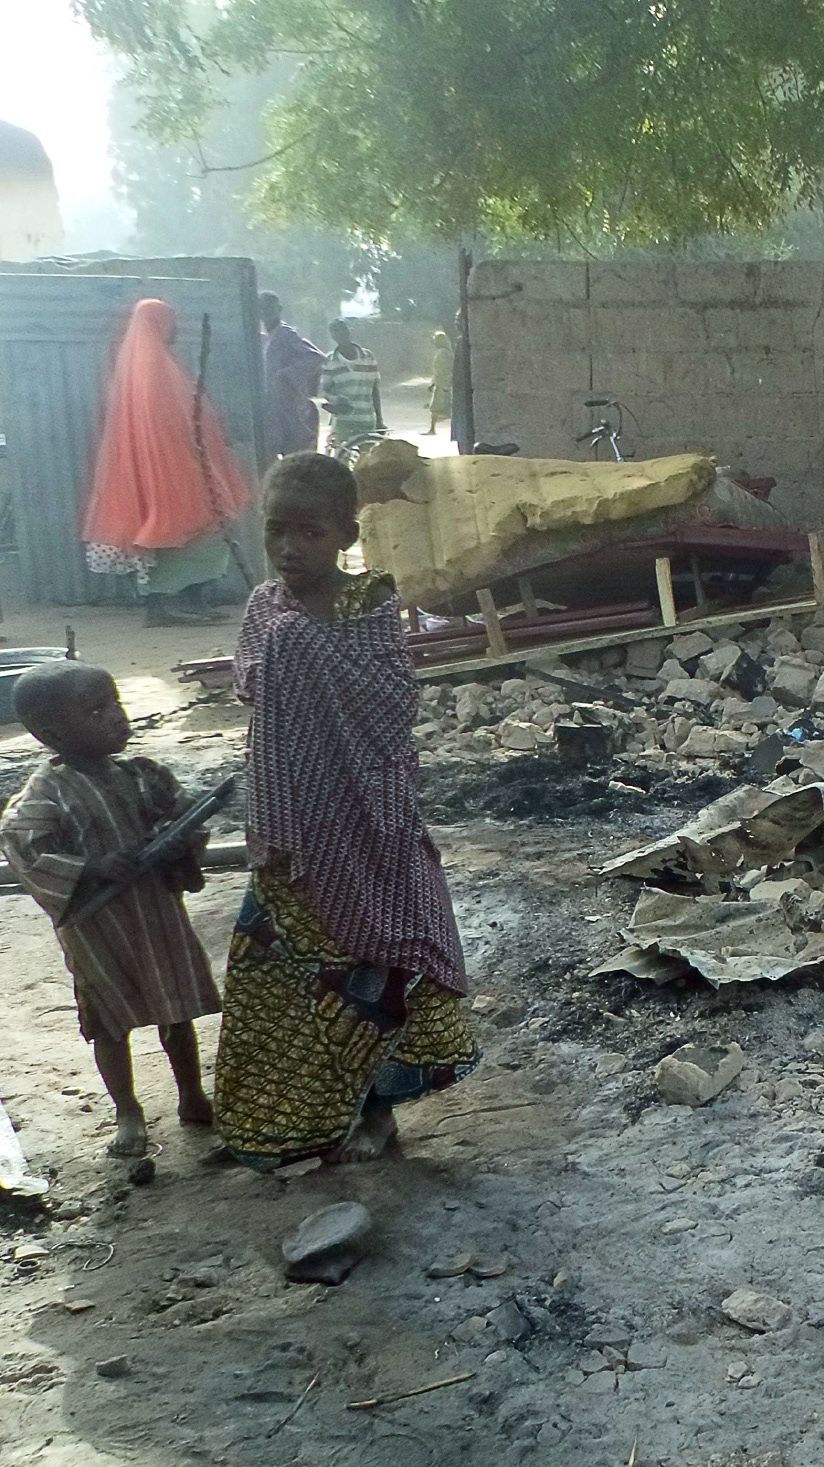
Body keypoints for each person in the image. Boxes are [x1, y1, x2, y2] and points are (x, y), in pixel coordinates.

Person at [214, 453, 475, 1169]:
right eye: (277, 531)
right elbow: (253, 687)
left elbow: (393, 706)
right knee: (276, 974)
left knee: (371, 968)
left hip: (363, 819)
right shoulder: (266, 606)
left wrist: (306, 651)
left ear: (346, 535)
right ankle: (270, 1120)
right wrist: (292, 651)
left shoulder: (368, 608)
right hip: (285, 823)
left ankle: (377, 1113)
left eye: (311, 532)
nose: (292, 548)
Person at [0, 661, 218, 1158]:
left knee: (176, 1009)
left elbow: (182, 816)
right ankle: (128, 1110)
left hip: (156, 913)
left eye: (116, 703)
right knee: (109, 1020)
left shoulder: (143, 776)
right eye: (97, 710)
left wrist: (178, 840)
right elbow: (25, 849)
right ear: (50, 734)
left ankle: (192, 1096)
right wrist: (94, 868)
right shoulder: (44, 794)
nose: (117, 717)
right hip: (99, 927)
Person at [80, 298, 253, 626]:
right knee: (202, 528)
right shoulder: (154, 367)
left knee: (192, 534)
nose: (176, 329)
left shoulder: (141, 364)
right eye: (170, 322)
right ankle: (169, 605)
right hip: (173, 468)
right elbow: (174, 422)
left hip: (166, 468)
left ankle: (183, 602)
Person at [259, 292, 323, 459]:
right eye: (262, 309)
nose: (265, 313)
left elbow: (315, 358)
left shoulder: (286, 335)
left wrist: (285, 374)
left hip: (291, 409)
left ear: (279, 309)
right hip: (273, 411)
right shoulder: (264, 338)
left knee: (297, 459)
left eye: (269, 308)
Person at [318, 318, 383, 458]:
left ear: (349, 331)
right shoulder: (330, 361)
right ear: (333, 336)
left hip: (366, 419)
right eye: (336, 333)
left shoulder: (368, 356)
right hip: (343, 422)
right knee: (342, 460)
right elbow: (324, 390)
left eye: (343, 330)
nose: (341, 335)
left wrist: (380, 419)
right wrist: (336, 400)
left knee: (368, 463)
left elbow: (374, 390)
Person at [426, 328, 453, 437]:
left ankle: (432, 429)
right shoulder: (445, 353)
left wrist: (442, 384)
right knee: (437, 408)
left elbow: (442, 371)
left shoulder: (443, 354)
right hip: (440, 382)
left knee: (437, 408)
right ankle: (432, 428)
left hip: (442, 383)